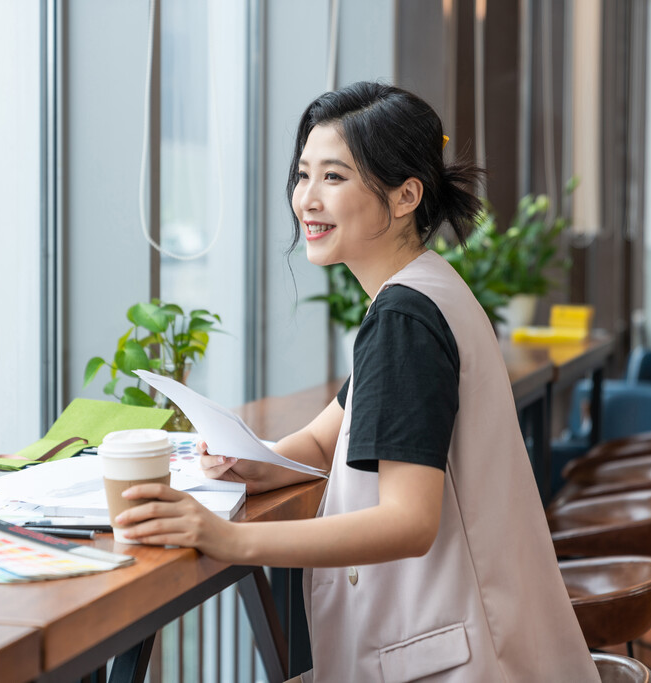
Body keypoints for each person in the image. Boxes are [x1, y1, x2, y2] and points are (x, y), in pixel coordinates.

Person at [116, 81, 599, 682]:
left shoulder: (403, 317)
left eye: (334, 178)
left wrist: (230, 540)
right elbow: (323, 443)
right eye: (303, 175)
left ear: (404, 196)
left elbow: (408, 521)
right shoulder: (425, 288)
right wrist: (253, 460)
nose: (306, 200)